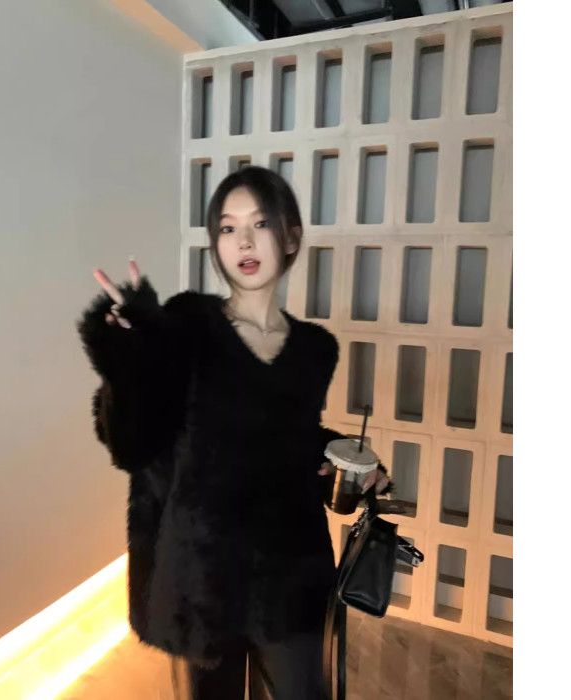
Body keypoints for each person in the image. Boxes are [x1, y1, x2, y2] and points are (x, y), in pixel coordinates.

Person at [76, 166, 391, 699]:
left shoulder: (316, 349)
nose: (243, 240)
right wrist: (127, 359)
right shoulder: (185, 325)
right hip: (203, 577)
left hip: (290, 569)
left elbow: (290, 434)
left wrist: (347, 459)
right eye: (227, 227)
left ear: (290, 237)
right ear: (216, 245)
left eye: (260, 223)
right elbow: (132, 444)